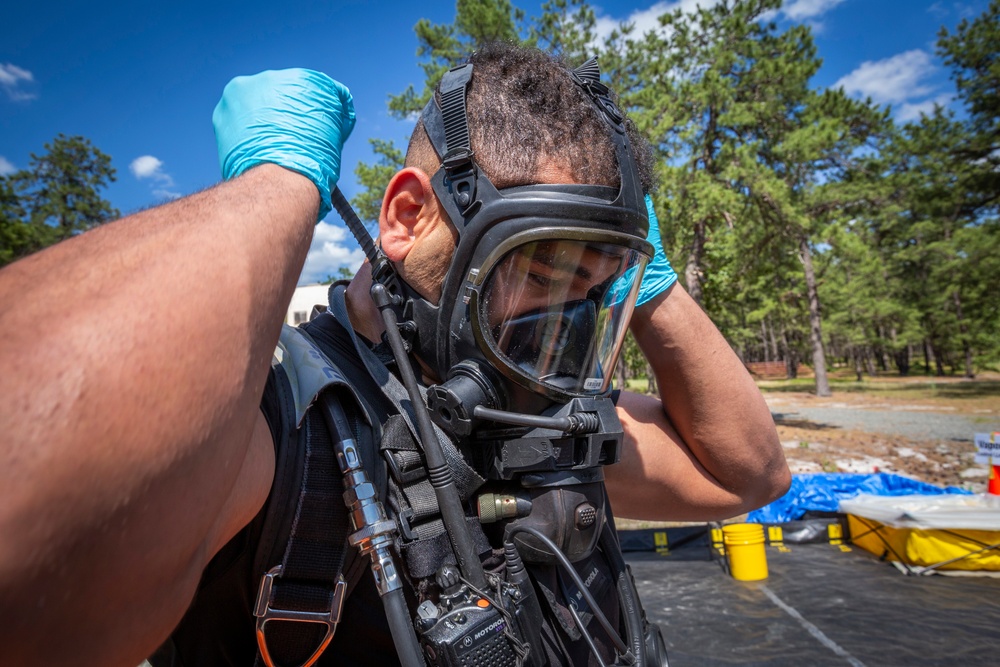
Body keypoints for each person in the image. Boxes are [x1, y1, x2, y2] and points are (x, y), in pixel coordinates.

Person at [0, 42, 788, 667]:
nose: (565, 331)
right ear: (408, 216)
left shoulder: (536, 414)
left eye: (592, 294)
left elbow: (743, 473)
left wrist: (646, 282)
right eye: (541, 272)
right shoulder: (284, 424)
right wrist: (277, 189)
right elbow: (27, 541)